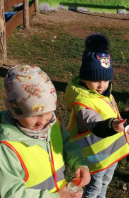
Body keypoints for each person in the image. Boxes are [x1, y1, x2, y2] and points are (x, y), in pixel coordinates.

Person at [0, 65, 91, 198]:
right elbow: (11, 193)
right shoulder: (6, 148)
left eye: (47, 113)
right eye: (33, 115)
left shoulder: (52, 125)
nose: (42, 122)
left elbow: (67, 145)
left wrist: (80, 163)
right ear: (16, 111)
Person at [64, 33, 129, 198]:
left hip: (111, 153)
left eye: (106, 80)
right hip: (96, 157)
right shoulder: (83, 102)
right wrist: (111, 125)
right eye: (96, 80)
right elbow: (93, 123)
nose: (101, 85)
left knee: (106, 181)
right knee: (94, 187)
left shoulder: (104, 92)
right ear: (85, 78)